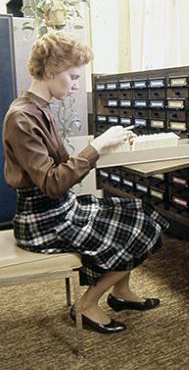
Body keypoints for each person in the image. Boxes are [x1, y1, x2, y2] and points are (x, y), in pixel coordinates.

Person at [2, 31, 169, 334]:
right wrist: (98, 146)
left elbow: (63, 165)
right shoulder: (22, 117)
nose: (77, 86)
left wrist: (111, 144)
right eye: (74, 76)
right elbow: (53, 183)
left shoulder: (40, 107)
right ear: (52, 70)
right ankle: (87, 304)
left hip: (59, 208)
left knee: (138, 212)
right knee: (138, 229)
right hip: (42, 220)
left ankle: (121, 293)